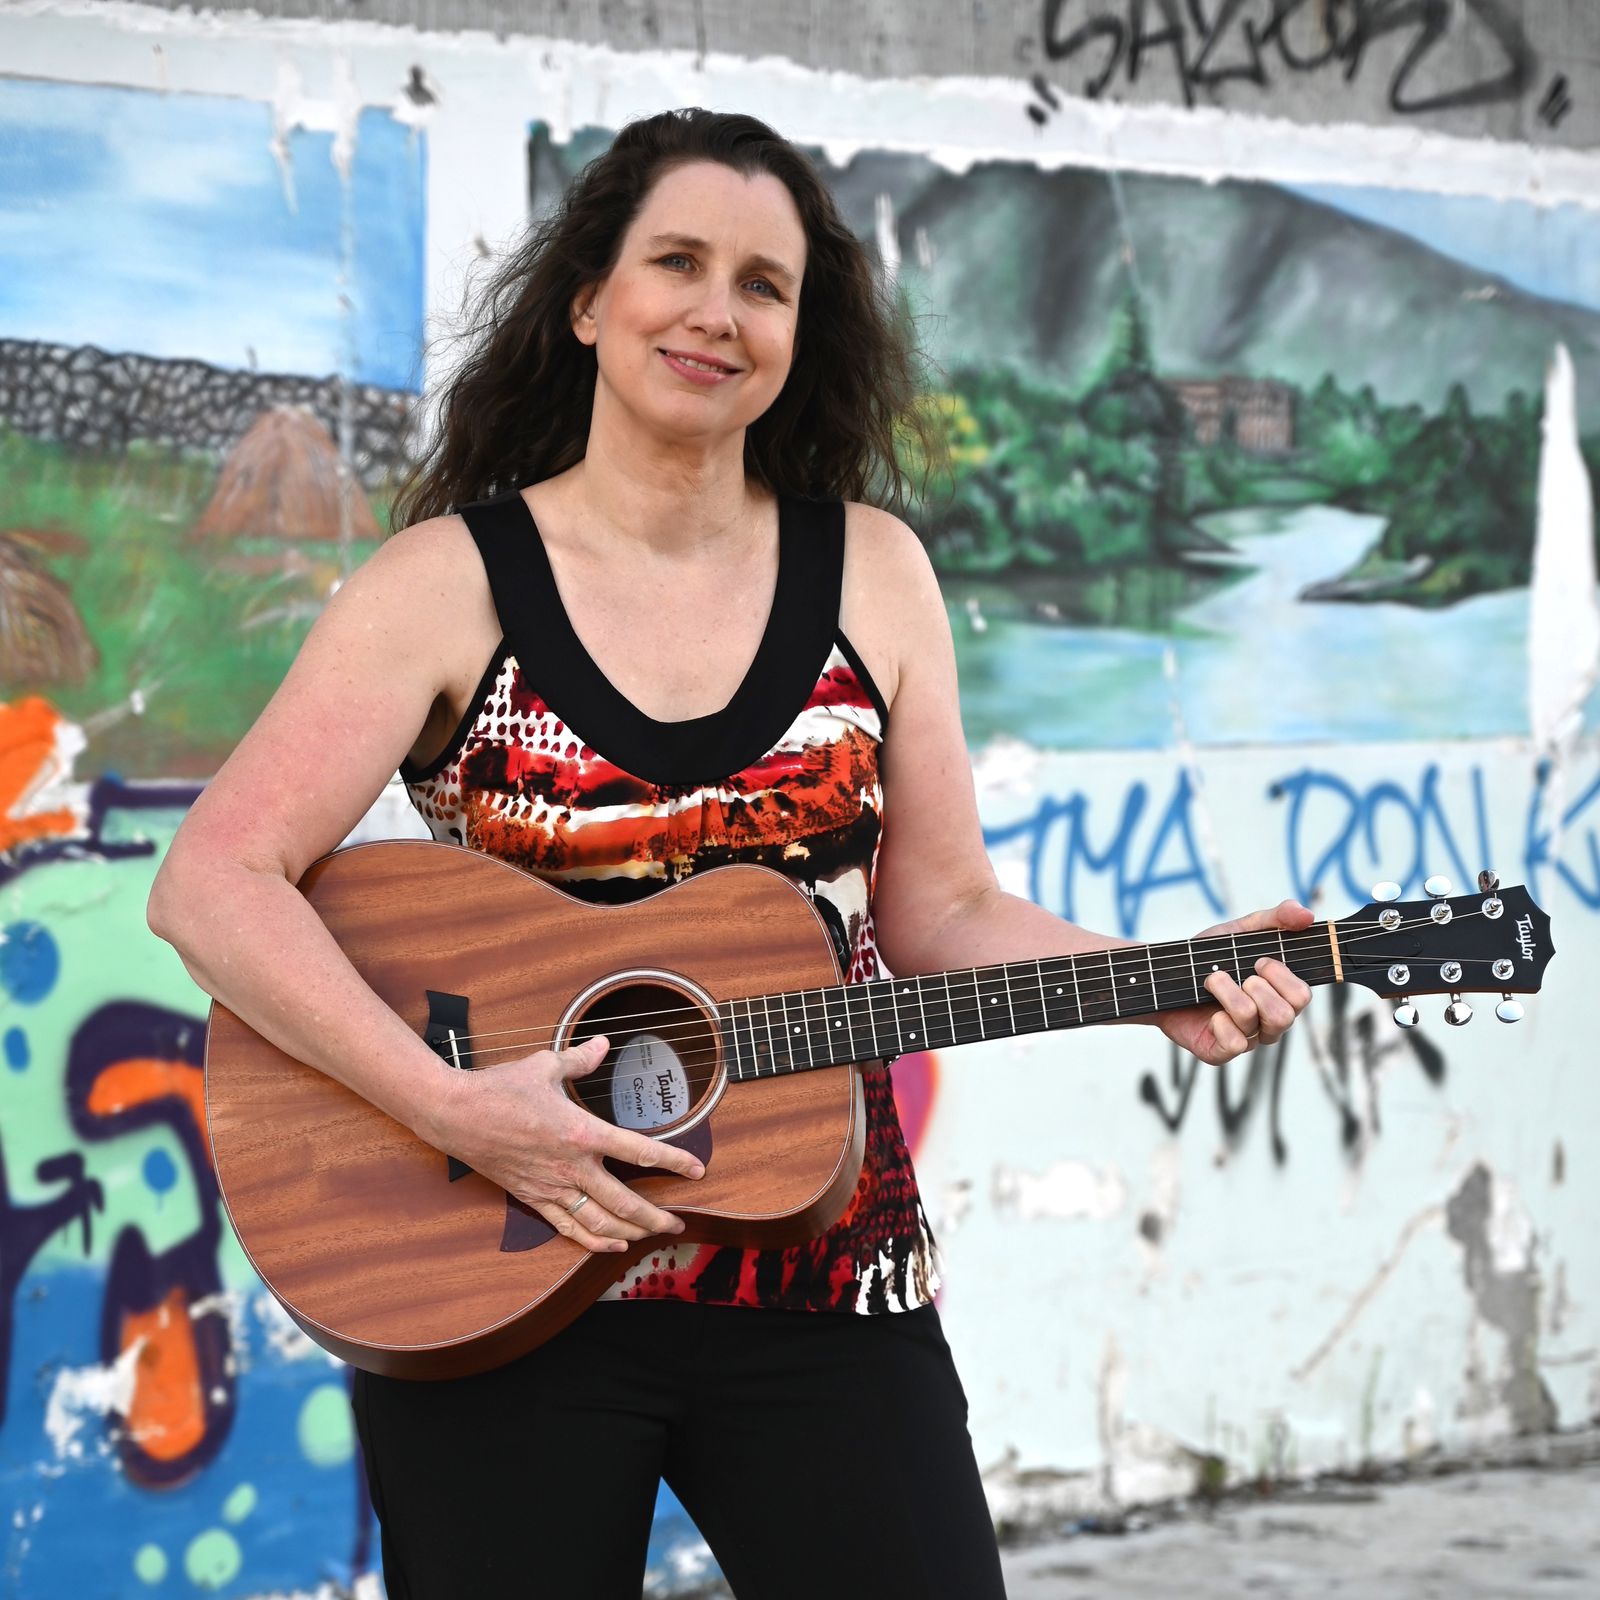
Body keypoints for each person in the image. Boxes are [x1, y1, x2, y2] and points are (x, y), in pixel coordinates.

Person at [147, 107, 1313, 1599]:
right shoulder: (447, 586)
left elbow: (945, 911)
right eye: (678, 262)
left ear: (799, 334)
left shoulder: (874, 574)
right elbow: (213, 882)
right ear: (588, 299)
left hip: (831, 1278)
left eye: (764, 284)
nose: (717, 311)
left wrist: (1152, 978)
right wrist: (459, 1107)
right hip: (493, 1274)